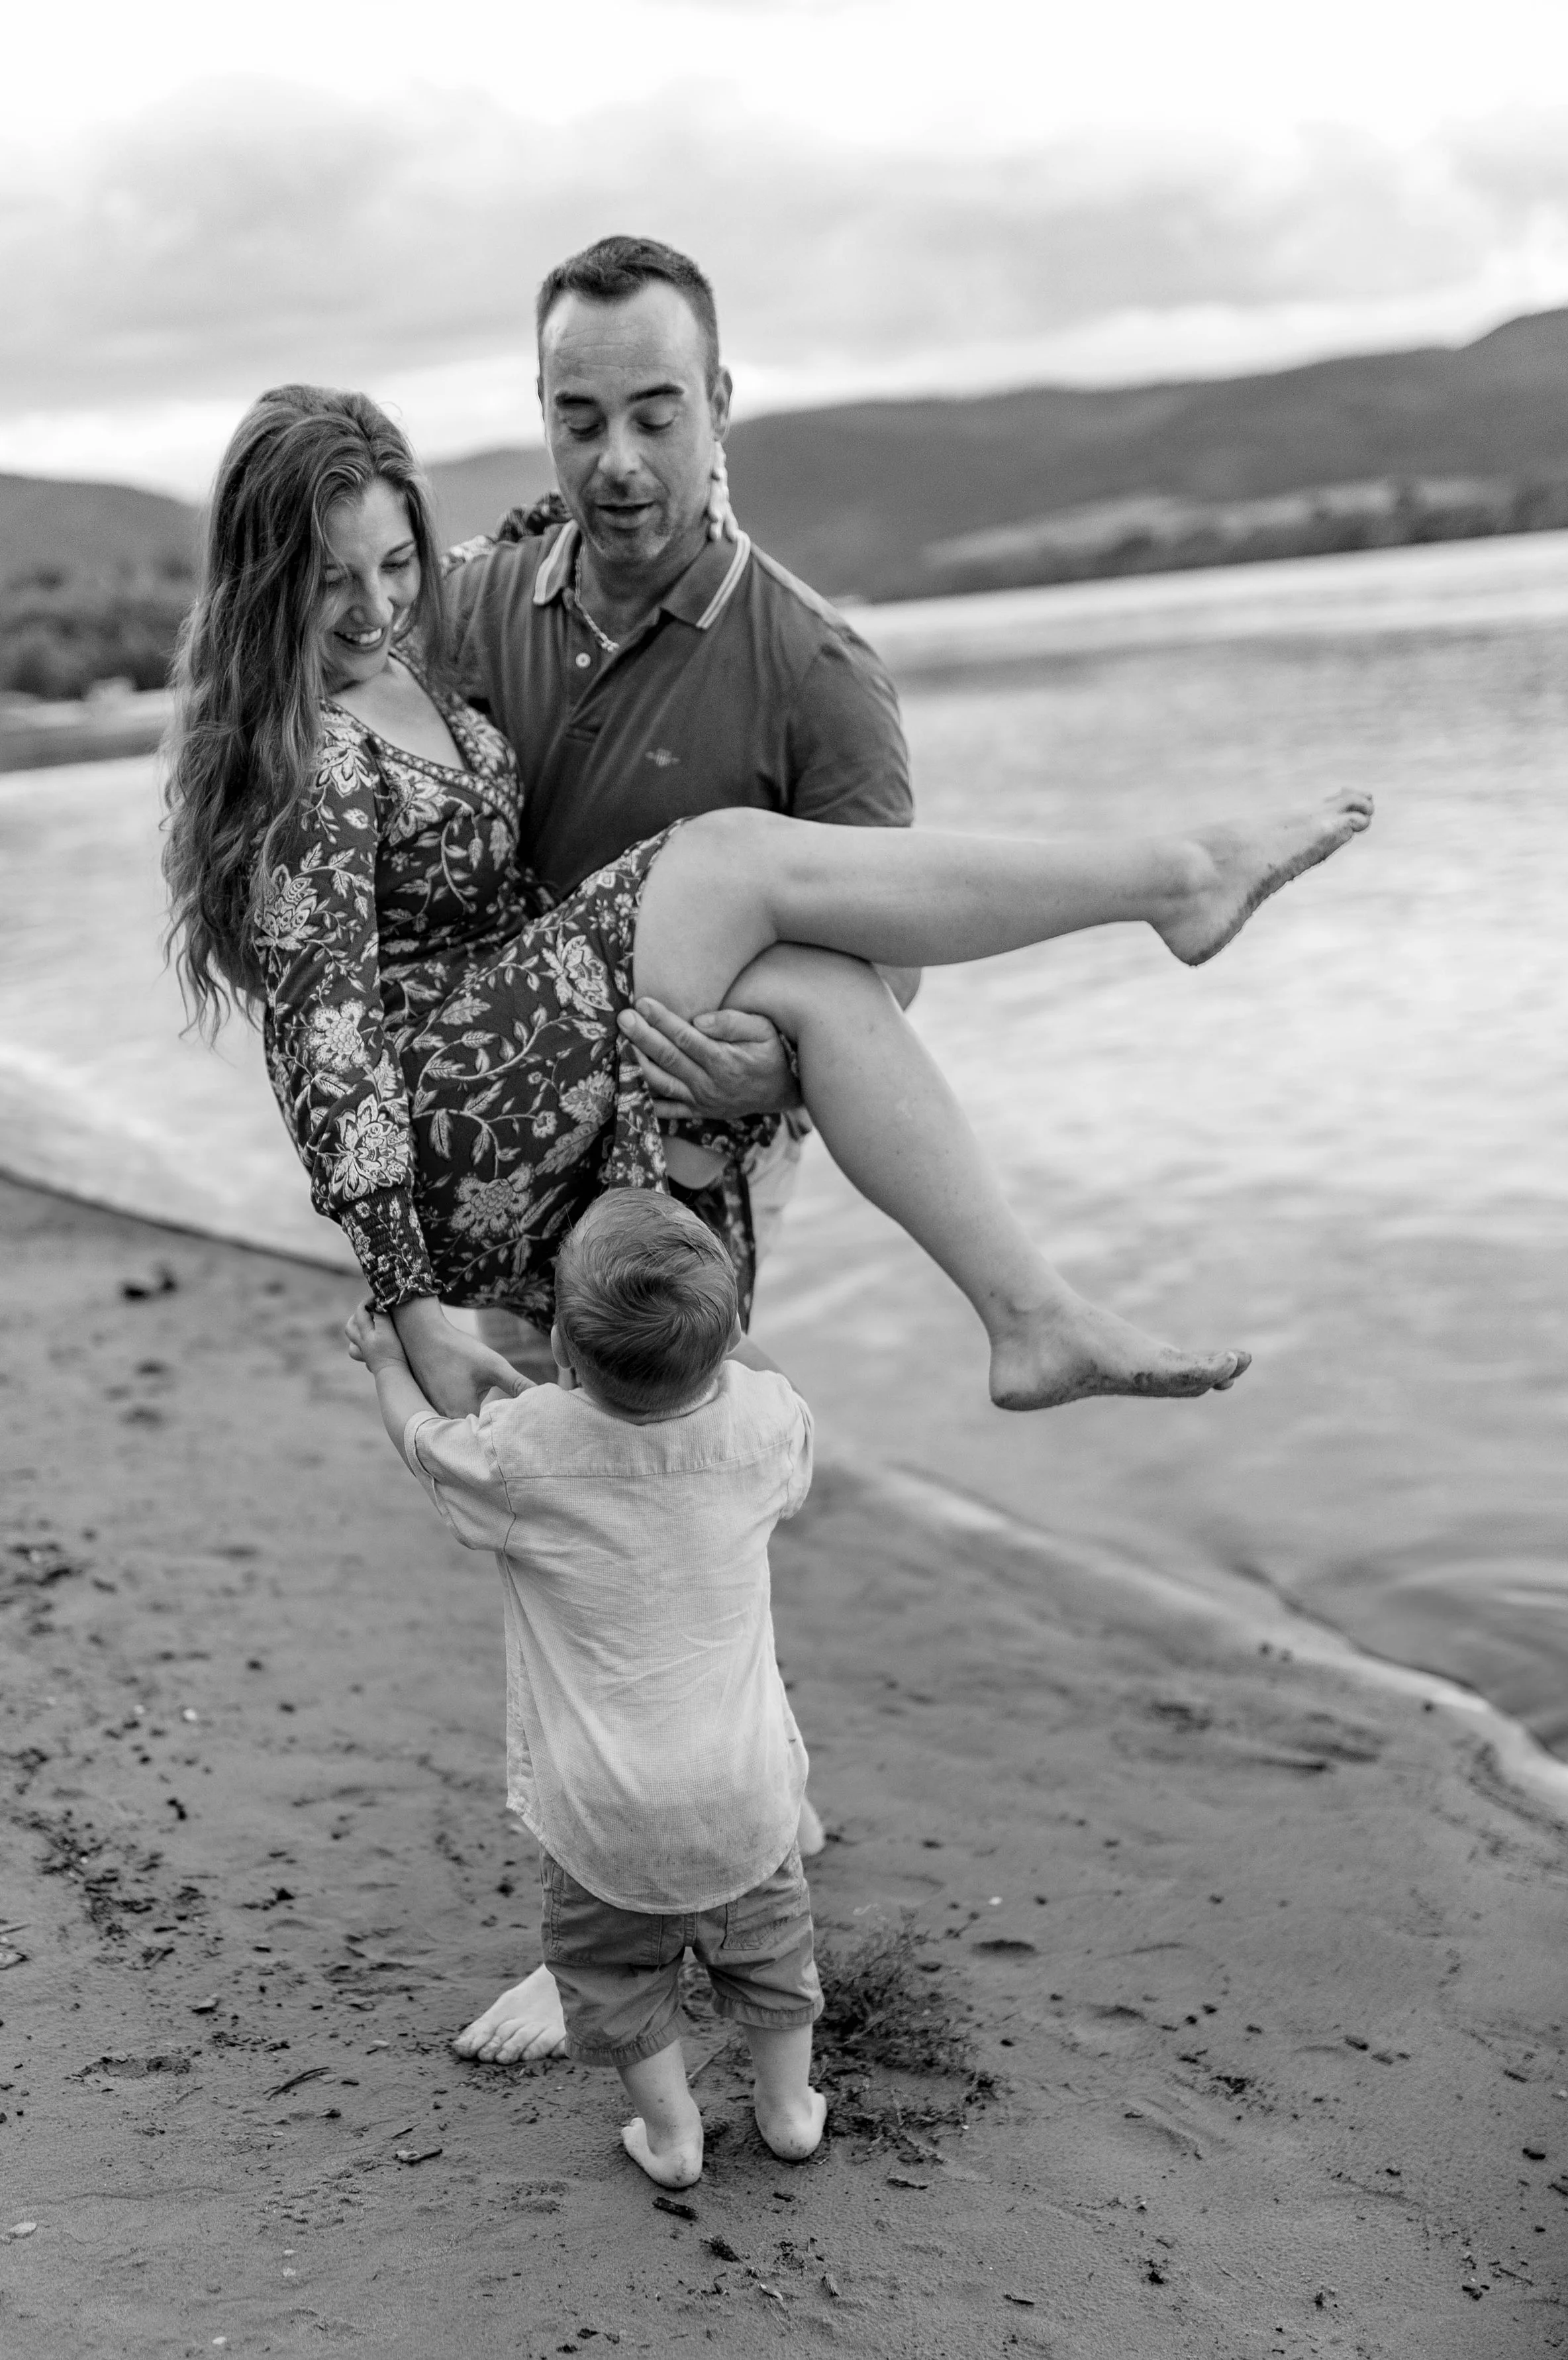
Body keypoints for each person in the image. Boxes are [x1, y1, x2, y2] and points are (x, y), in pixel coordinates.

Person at [162, 380, 1371, 2075]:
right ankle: (1171, 879)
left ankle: (1028, 1314)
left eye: (391, 566)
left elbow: (521, 570)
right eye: (331, 585)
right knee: (725, 859)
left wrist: (516, 548)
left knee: (805, 980)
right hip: (445, 1117)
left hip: (524, 1065)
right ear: (261, 586)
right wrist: (402, 1286)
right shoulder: (300, 755)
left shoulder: (426, 653)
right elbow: (327, 1043)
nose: (370, 609)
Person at [444, 233, 921, 1335]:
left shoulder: (818, 670)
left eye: (657, 418)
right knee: (524, 1444)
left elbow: (891, 968)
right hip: (512, 1127)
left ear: (719, 402)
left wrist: (782, 1068)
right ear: (543, 412)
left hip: (703, 1142)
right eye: (581, 420)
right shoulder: (467, 610)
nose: (617, 461)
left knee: (661, 1444)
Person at [346, 1189, 826, 2188]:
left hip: (604, 1817)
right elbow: (770, 1387)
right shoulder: (764, 1427)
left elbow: (423, 1444)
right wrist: (731, 1334)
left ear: (560, 1347)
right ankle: (787, 2112)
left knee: (616, 1977)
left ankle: (672, 2135)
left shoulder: (527, 1454)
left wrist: (392, 1364)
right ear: (732, 1331)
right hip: (749, 1799)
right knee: (773, 1957)